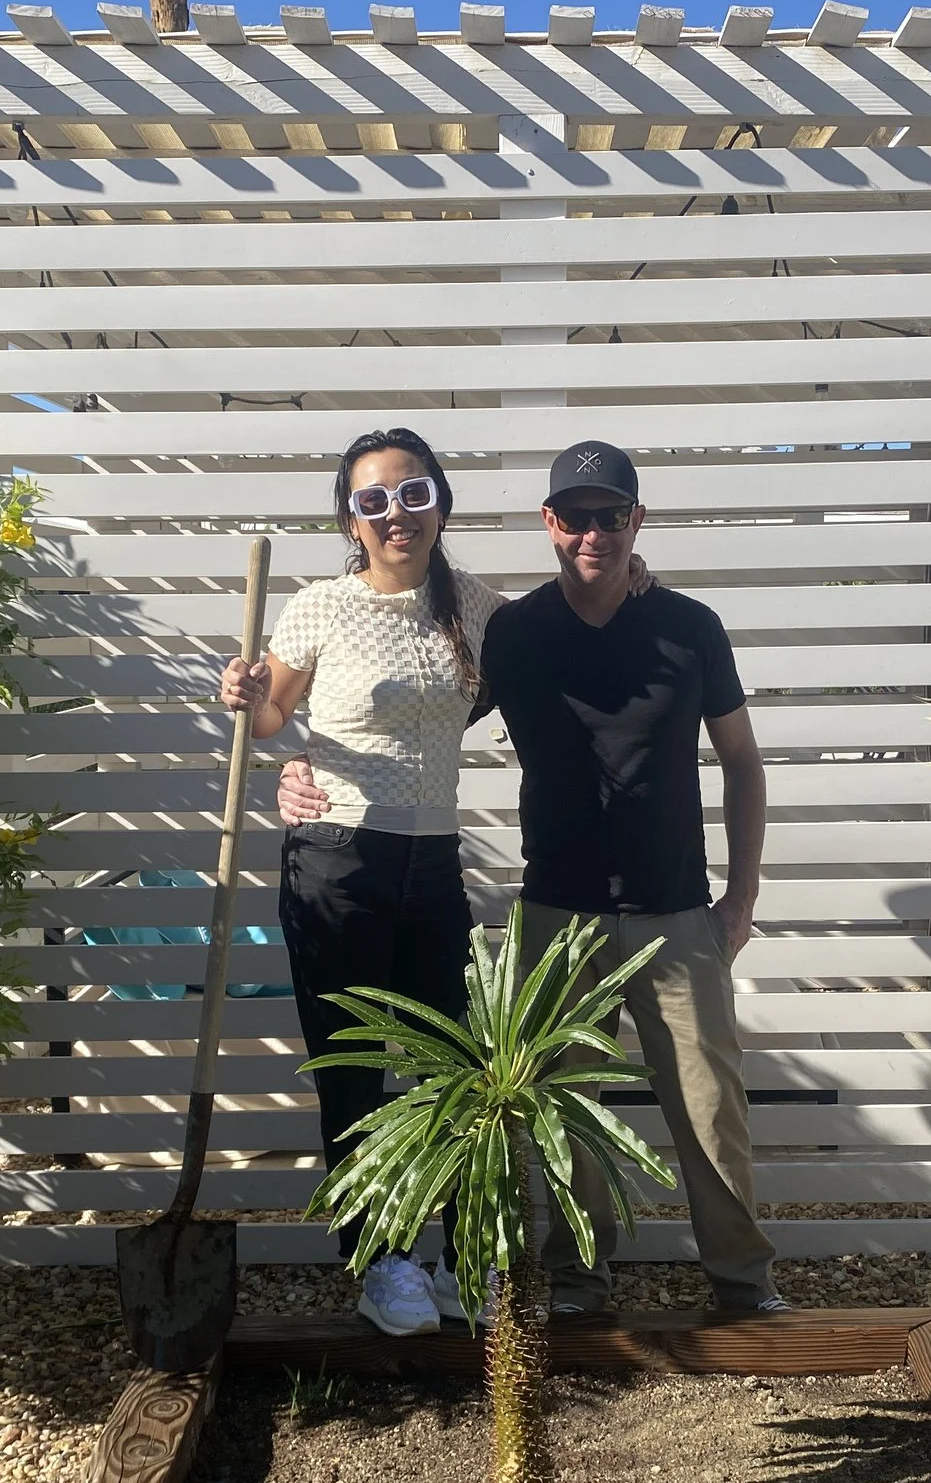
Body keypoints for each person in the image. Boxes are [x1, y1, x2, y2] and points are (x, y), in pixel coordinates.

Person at [279, 439, 784, 1315]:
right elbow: (417, 719)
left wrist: (739, 900)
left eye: (613, 515)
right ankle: (580, 1279)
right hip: (556, 910)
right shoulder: (511, 630)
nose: (596, 532)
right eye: (578, 516)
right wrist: (301, 771)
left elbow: (743, 760)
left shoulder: (689, 625)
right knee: (566, 1118)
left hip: (676, 912)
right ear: (550, 523)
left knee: (710, 1110)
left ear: (637, 520)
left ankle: (744, 1285)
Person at [219, 429, 496, 1337]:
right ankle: (379, 1260)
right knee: (354, 1069)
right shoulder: (321, 607)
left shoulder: (483, 611)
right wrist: (244, 690)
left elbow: (564, 639)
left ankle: (458, 1257)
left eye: (412, 494)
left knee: (451, 1069)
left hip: (433, 863)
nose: (395, 515)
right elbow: (270, 720)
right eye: (373, 501)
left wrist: (636, 568)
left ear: (441, 503)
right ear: (352, 518)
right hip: (337, 861)